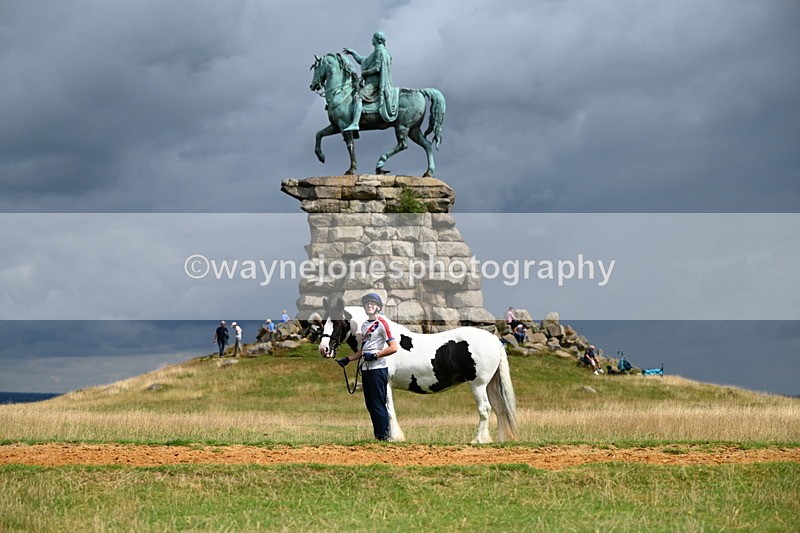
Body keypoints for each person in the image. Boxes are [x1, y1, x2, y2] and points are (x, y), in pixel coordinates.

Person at [336, 292, 398, 441]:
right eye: (367, 304)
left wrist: (376, 355)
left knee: (378, 404)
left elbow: (393, 347)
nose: (369, 306)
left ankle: (384, 436)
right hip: (366, 369)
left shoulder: (382, 323)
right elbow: (363, 350)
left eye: (372, 304)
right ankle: (378, 436)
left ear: (378, 307)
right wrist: (348, 359)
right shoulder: (364, 325)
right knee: (370, 405)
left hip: (378, 369)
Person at [342, 30, 399, 131]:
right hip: (373, 82)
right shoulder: (380, 52)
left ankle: (355, 123)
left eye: (373, 38)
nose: (371, 39)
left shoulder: (379, 52)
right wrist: (353, 53)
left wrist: (365, 73)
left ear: (377, 39)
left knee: (357, 97)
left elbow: (377, 68)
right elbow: (363, 60)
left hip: (374, 84)